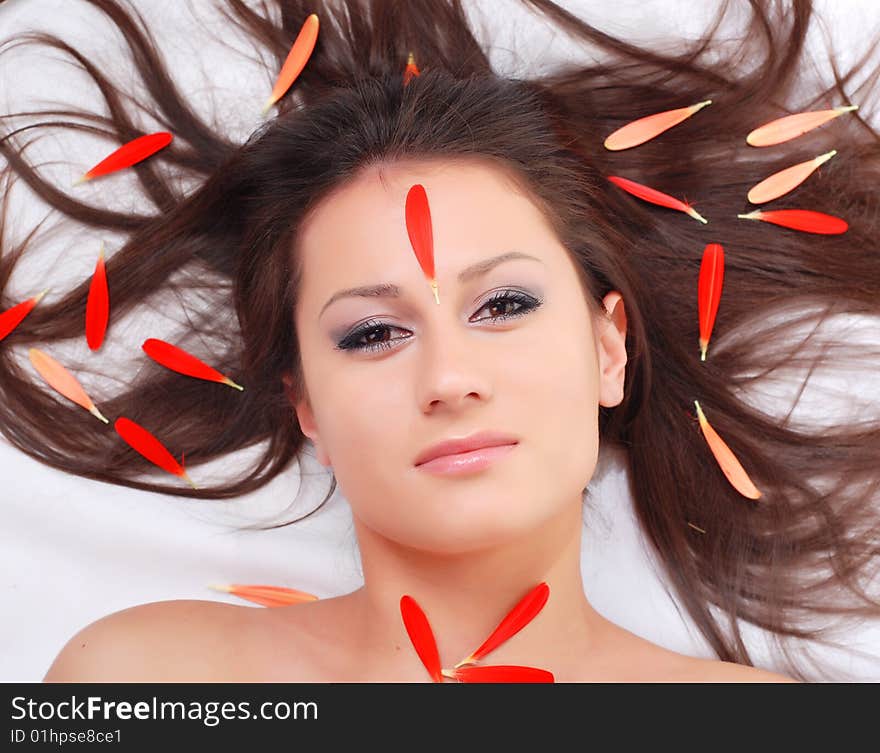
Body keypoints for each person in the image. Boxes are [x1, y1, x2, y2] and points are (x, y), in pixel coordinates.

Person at [1, 0, 876, 682]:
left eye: (502, 305)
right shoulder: (153, 680)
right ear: (303, 401)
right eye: (374, 332)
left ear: (609, 350)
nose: (449, 378)